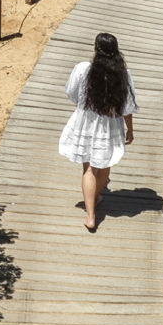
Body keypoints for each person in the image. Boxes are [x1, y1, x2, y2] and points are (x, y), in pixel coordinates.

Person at [60, 32, 138, 232]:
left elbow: (71, 92)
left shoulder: (84, 69)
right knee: (104, 164)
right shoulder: (123, 75)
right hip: (110, 124)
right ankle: (94, 196)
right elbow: (127, 107)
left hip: (86, 120)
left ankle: (90, 216)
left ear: (96, 49)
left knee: (89, 168)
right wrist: (130, 129)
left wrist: (84, 104)